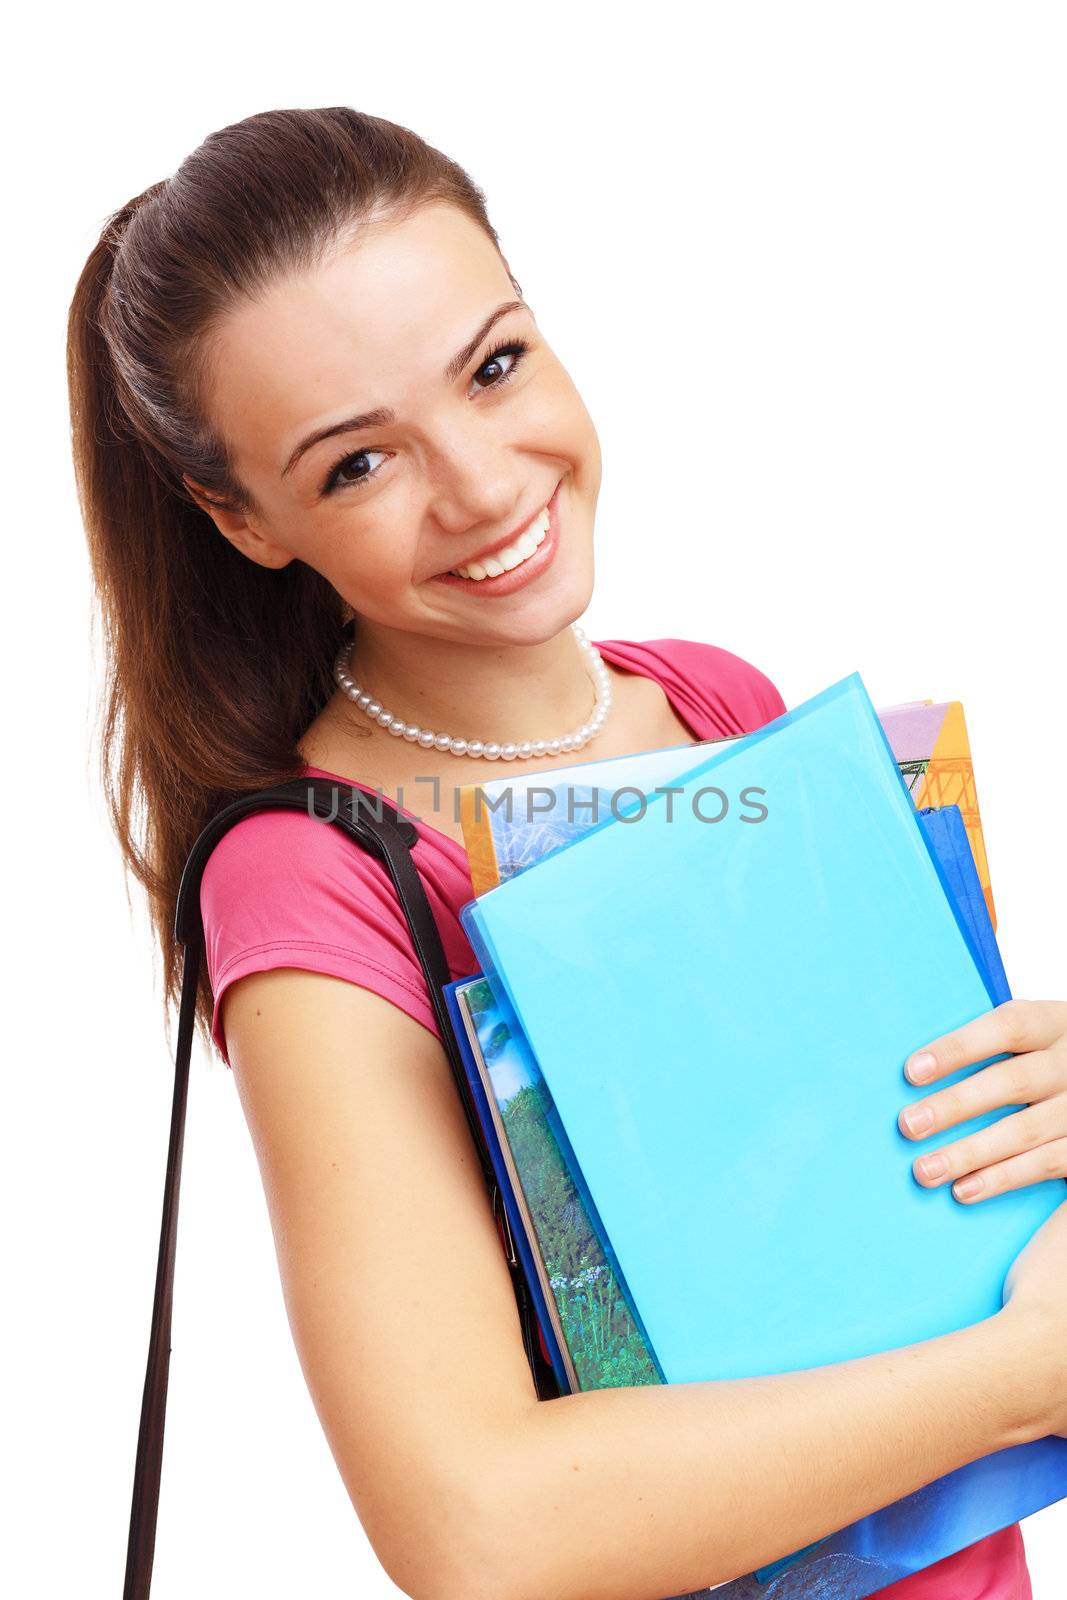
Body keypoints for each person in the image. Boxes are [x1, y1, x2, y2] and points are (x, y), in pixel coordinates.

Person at [67, 106, 1067, 1600]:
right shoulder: (313, 874)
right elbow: (477, 1530)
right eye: (355, 465)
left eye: (494, 365)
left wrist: (1028, 1120)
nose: (479, 486)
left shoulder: (720, 703)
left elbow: (859, 1213)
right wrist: (1025, 1372)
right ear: (241, 516)